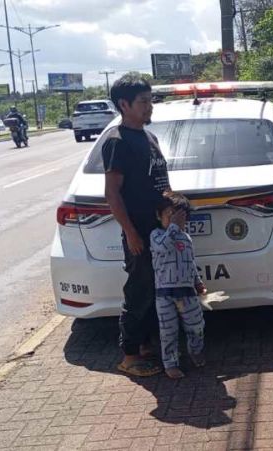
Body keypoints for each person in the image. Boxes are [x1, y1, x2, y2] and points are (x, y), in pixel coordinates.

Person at [102, 72, 171, 377]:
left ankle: (145, 347)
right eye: (143, 102)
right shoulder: (118, 142)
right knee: (138, 292)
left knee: (154, 290)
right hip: (139, 231)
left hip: (158, 230)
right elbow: (112, 192)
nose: (149, 106)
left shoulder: (148, 137)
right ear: (124, 105)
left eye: (150, 100)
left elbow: (159, 181)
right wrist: (130, 232)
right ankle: (129, 356)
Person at [150, 191, 208, 379]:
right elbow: (163, 247)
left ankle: (195, 350)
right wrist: (173, 227)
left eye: (179, 217)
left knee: (196, 325)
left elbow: (190, 263)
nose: (174, 220)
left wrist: (198, 283)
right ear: (159, 216)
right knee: (168, 331)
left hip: (187, 293)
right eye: (170, 215)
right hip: (164, 294)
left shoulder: (186, 238)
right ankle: (171, 363)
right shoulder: (157, 235)